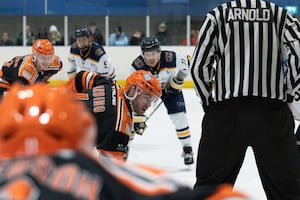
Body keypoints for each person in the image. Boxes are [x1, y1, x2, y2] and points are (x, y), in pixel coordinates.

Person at [0, 83, 248, 200]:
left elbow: (81, 78)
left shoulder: (111, 86)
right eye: (147, 97)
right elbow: (115, 163)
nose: (149, 103)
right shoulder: (99, 164)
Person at [190, 0, 300, 199]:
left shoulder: (217, 15)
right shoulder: (281, 15)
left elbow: (198, 66)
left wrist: (209, 103)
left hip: (226, 112)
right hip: (272, 112)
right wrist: (290, 93)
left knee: (210, 188)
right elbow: (298, 58)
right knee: (287, 189)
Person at [66, 70, 162, 161]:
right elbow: (109, 170)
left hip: (54, 104)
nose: (149, 105)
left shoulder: (112, 84)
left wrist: (62, 97)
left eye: (152, 100)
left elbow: (82, 77)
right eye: (146, 98)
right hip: (57, 134)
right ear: (132, 91)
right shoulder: (119, 129)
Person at [130, 36, 194, 166]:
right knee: (132, 121)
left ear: (159, 52)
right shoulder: (136, 66)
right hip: (147, 93)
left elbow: (189, 63)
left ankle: (187, 149)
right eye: (147, 54)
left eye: (153, 53)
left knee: (179, 118)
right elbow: (134, 91)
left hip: (170, 89)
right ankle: (124, 147)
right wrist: (138, 116)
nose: (150, 57)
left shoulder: (172, 58)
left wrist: (178, 80)